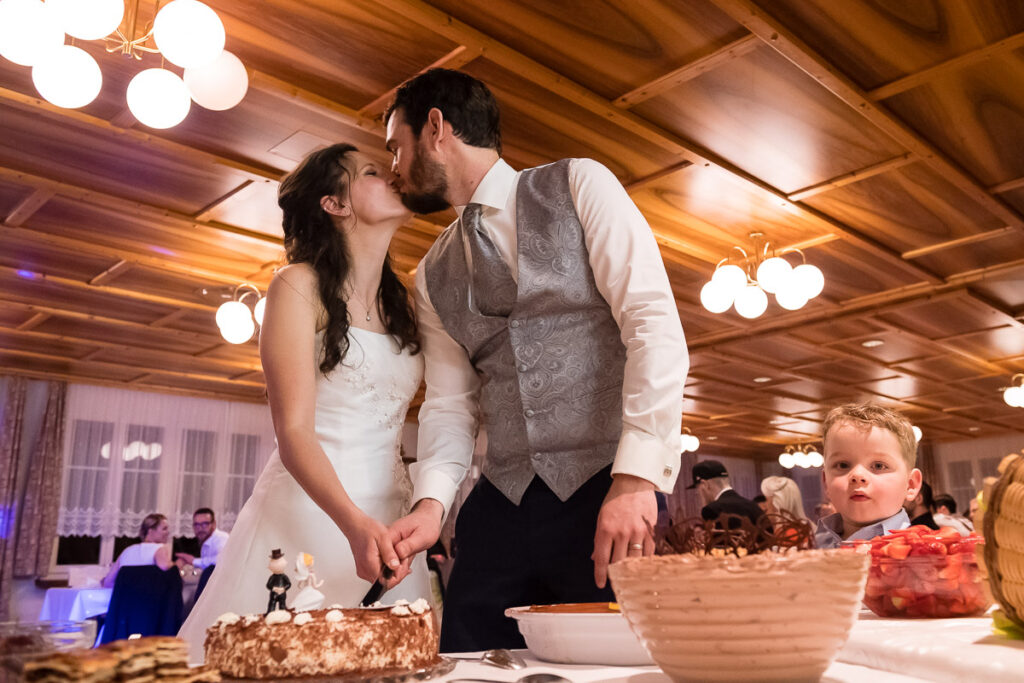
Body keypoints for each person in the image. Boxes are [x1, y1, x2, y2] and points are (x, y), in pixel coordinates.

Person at [382, 68, 688, 652]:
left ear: (436, 129)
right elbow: (450, 403)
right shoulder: (429, 274)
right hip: (503, 497)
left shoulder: (580, 184)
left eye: (396, 146)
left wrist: (636, 478)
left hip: (609, 488)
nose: (394, 167)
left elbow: (653, 325)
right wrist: (430, 505)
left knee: (612, 662)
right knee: (469, 657)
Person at [178, 143, 430, 663]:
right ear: (334, 204)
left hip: (393, 524)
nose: (392, 178)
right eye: (370, 173)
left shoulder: (401, 302)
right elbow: (293, 431)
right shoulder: (297, 285)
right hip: (314, 514)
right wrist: (355, 523)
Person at [815, 403, 922, 548]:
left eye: (879, 466)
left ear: (910, 485)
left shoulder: (927, 554)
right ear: (826, 482)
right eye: (843, 465)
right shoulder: (812, 546)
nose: (857, 476)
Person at [102, 513, 173, 588]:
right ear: (150, 531)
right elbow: (164, 566)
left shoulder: (127, 550)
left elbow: (107, 582)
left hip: (125, 598)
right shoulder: (159, 548)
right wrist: (176, 564)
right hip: (149, 598)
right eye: (164, 529)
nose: (168, 532)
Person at [689, 460, 763, 526]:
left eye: (698, 488)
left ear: (705, 484)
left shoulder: (711, 510)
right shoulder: (754, 506)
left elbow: (716, 541)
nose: (698, 493)